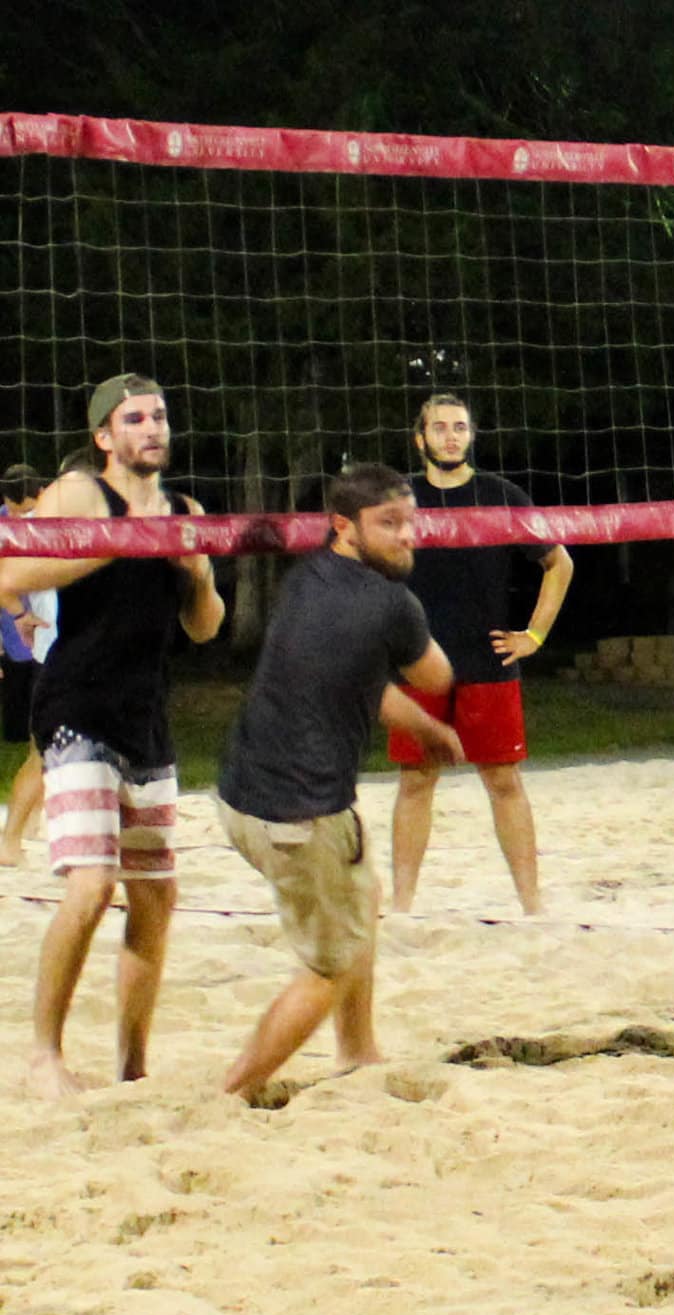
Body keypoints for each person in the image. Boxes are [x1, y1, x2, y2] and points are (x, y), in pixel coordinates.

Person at [0, 374, 224, 1098]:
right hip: (76, 706)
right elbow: (9, 575)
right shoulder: (78, 495)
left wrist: (196, 573)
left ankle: (132, 1066)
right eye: (135, 418)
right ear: (104, 437)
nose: (153, 427)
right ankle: (44, 1057)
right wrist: (109, 547)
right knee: (93, 885)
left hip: (145, 714)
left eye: (160, 414)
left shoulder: (185, 509)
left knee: (156, 897)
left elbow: (204, 627)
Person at [217, 466, 464, 1098]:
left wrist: (427, 734)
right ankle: (231, 1094)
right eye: (390, 524)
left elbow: (360, 681)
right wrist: (430, 702)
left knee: (364, 894)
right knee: (327, 967)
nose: (408, 536)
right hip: (299, 815)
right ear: (344, 527)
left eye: (411, 522)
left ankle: (358, 1052)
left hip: (240, 797)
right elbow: (436, 678)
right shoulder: (391, 604)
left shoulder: (305, 580)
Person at [389, 393, 574, 916]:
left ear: (471, 436)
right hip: (419, 663)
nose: (451, 436)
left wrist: (533, 636)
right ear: (419, 437)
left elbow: (559, 565)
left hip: (487, 660)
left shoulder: (500, 495)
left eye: (461, 427)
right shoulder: (400, 498)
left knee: (503, 781)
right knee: (416, 781)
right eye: (440, 427)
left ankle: (533, 908)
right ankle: (402, 909)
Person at [0, 462, 47, 865]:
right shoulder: (15, 529)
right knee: (44, 748)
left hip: (74, 648)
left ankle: (28, 827)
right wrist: (17, 618)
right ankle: (11, 838)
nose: (21, 518)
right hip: (48, 653)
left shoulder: (60, 521)